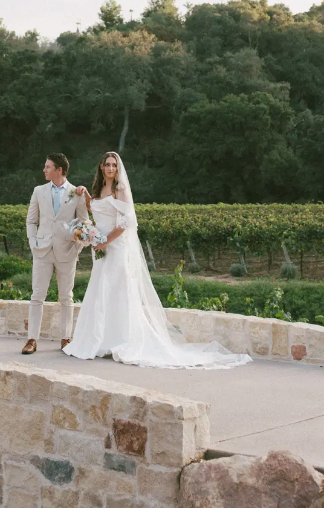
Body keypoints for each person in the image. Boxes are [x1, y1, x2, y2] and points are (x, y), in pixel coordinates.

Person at [64, 151, 252, 369]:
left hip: (115, 246)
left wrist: (105, 241)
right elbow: (96, 208)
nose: (110, 168)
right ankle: (100, 341)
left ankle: (120, 340)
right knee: (100, 290)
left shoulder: (120, 189)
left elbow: (126, 221)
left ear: (118, 168)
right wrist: (86, 195)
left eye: (114, 165)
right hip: (100, 246)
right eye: (107, 164)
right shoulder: (99, 189)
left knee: (116, 290)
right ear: (101, 167)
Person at [22, 153, 89, 355]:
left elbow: (85, 223)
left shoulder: (76, 193)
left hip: (67, 252)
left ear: (59, 170)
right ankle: (32, 340)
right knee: (37, 296)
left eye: (48, 167)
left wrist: (78, 247)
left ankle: (66, 339)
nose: (44, 170)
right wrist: (33, 243)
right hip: (42, 251)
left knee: (66, 297)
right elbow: (31, 221)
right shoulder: (38, 191)